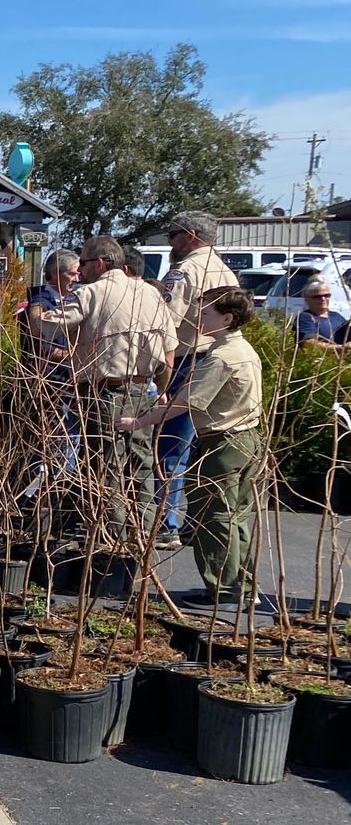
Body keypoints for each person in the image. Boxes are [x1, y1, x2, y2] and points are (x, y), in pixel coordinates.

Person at [29, 235, 176, 549]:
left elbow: (46, 328)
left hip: (104, 392)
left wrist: (35, 307)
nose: (79, 270)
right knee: (141, 465)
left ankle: (111, 541)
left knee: (105, 466)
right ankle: (142, 536)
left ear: (99, 262)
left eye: (82, 262)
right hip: (142, 390)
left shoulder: (92, 293)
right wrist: (161, 392)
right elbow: (168, 353)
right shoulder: (152, 294)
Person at [120, 286, 263, 607]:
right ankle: (243, 586)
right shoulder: (243, 350)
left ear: (227, 318)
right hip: (245, 439)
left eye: (207, 312)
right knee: (236, 515)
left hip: (223, 444)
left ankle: (223, 589)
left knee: (214, 517)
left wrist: (138, 422)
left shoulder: (222, 358)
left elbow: (185, 404)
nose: (199, 318)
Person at [155, 212, 239, 546]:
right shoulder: (225, 270)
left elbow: (165, 323)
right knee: (205, 446)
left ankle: (167, 522)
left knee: (171, 445)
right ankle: (196, 520)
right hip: (221, 361)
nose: (171, 243)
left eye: (172, 235)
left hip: (187, 360)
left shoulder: (185, 271)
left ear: (190, 235)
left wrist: (161, 377)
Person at [295, 282, 348, 348]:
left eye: (326, 295)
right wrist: (340, 348)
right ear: (306, 299)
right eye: (317, 297)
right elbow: (308, 343)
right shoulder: (306, 317)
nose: (323, 299)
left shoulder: (336, 316)